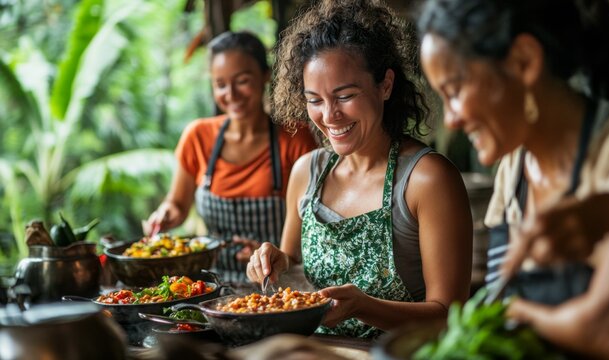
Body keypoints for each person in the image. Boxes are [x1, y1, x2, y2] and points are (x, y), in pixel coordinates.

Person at [418, 0, 609, 358]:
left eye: (455, 91)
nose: (451, 121)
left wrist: (517, 314)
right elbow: (498, 296)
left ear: (524, 62)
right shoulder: (514, 164)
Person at [246, 0, 473, 338]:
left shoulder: (427, 179)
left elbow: (448, 316)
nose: (329, 115)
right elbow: (292, 273)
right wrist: (274, 262)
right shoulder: (306, 172)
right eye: (315, 100)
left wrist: (364, 306)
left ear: (385, 85)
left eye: (345, 95)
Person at [145, 31, 318, 283]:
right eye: (220, 84)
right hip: (210, 285)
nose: (231, 94)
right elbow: (177, 206)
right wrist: (164, 214)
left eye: (242, 80)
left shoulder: (294, 138)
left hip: (277, 284)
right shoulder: (198, 136)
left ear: (265, 75)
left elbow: (314, 229)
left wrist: (269, 254)